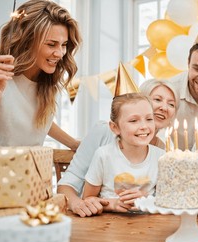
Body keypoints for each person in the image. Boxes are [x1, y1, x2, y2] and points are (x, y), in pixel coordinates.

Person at [57, 79, 178, 217]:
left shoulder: (163, 152)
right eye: (157, 99)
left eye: (171, 104)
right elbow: (74, 185)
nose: (164, 107)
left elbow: (167, 197)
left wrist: (145, 198)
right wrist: (79, 204)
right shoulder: (103, 143)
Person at [0, 0, 82, 150]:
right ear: (27, 41)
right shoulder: (2, 76)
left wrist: (73, 143)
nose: (60, 54)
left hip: (34, 171)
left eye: (64, 45)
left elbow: (39, 120)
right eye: (51, 44)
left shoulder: (46, 81)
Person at [81, 93, 164, 215]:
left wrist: (147, 200)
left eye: (149, 119)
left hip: (148, 225)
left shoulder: (161, 157)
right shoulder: (104, 155)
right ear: (115, 127)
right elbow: (87, 199)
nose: (144, 126)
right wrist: (113, 204)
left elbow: (168, 201)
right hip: (108, 226)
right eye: (134, 120)